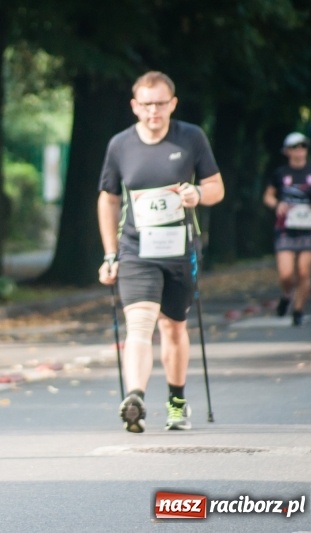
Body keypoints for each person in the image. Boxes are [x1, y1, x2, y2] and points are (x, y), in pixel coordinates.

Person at [96, 71, 225, 433]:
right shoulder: (120, 145)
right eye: (147, 104)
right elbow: (108, 199)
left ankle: (177, 400)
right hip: (136, 249)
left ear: (173, 104)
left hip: (180, 249)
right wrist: (110, 254)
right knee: (138, 323)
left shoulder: (191, 137)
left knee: (173, 326)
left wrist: (198, 194)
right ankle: (135, 396)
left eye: (161, 103)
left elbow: (216, 187)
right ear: (135, 107)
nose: (154, 111)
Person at [262, 132, 311, 327]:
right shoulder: (280, 173)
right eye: (295, 147)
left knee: (304, 272)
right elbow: (268, 196)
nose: (299, 150)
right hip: (285, 227)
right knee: (286, 274)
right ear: (287, 151)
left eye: (303, 146)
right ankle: (287, 294)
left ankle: (298, 311)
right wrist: (277, 204)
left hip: (306, 227)